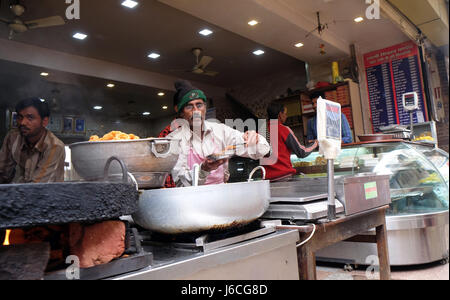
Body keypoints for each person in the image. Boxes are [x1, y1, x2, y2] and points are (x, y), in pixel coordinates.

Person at [167, 80, 270, 187]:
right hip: (192, 197)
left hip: (221, 192)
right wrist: (204, 169)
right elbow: (180, 183)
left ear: (205, 108)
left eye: (199, 105)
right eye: (189, 106)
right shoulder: (174, 140)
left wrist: (255, 139)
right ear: (181, 113)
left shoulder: (220, 131)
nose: (196, 111)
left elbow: (261, 151)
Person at [0, 98, 66, 184]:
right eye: (20, 117)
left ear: (44, 122)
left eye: (30, 118)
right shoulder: (13, 138)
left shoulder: (55, 146)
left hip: (48, 195)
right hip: (23, 191)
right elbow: (3, 173)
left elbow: (36, 188)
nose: (23, 122)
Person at [264, 102, 318, 181]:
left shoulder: (261, 130)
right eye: (285, 113)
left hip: (267, 179)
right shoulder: (283, 130)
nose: (286, 116)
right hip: (284, 177)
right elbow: (301, 152)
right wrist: (316, 143)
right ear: (280, 114)